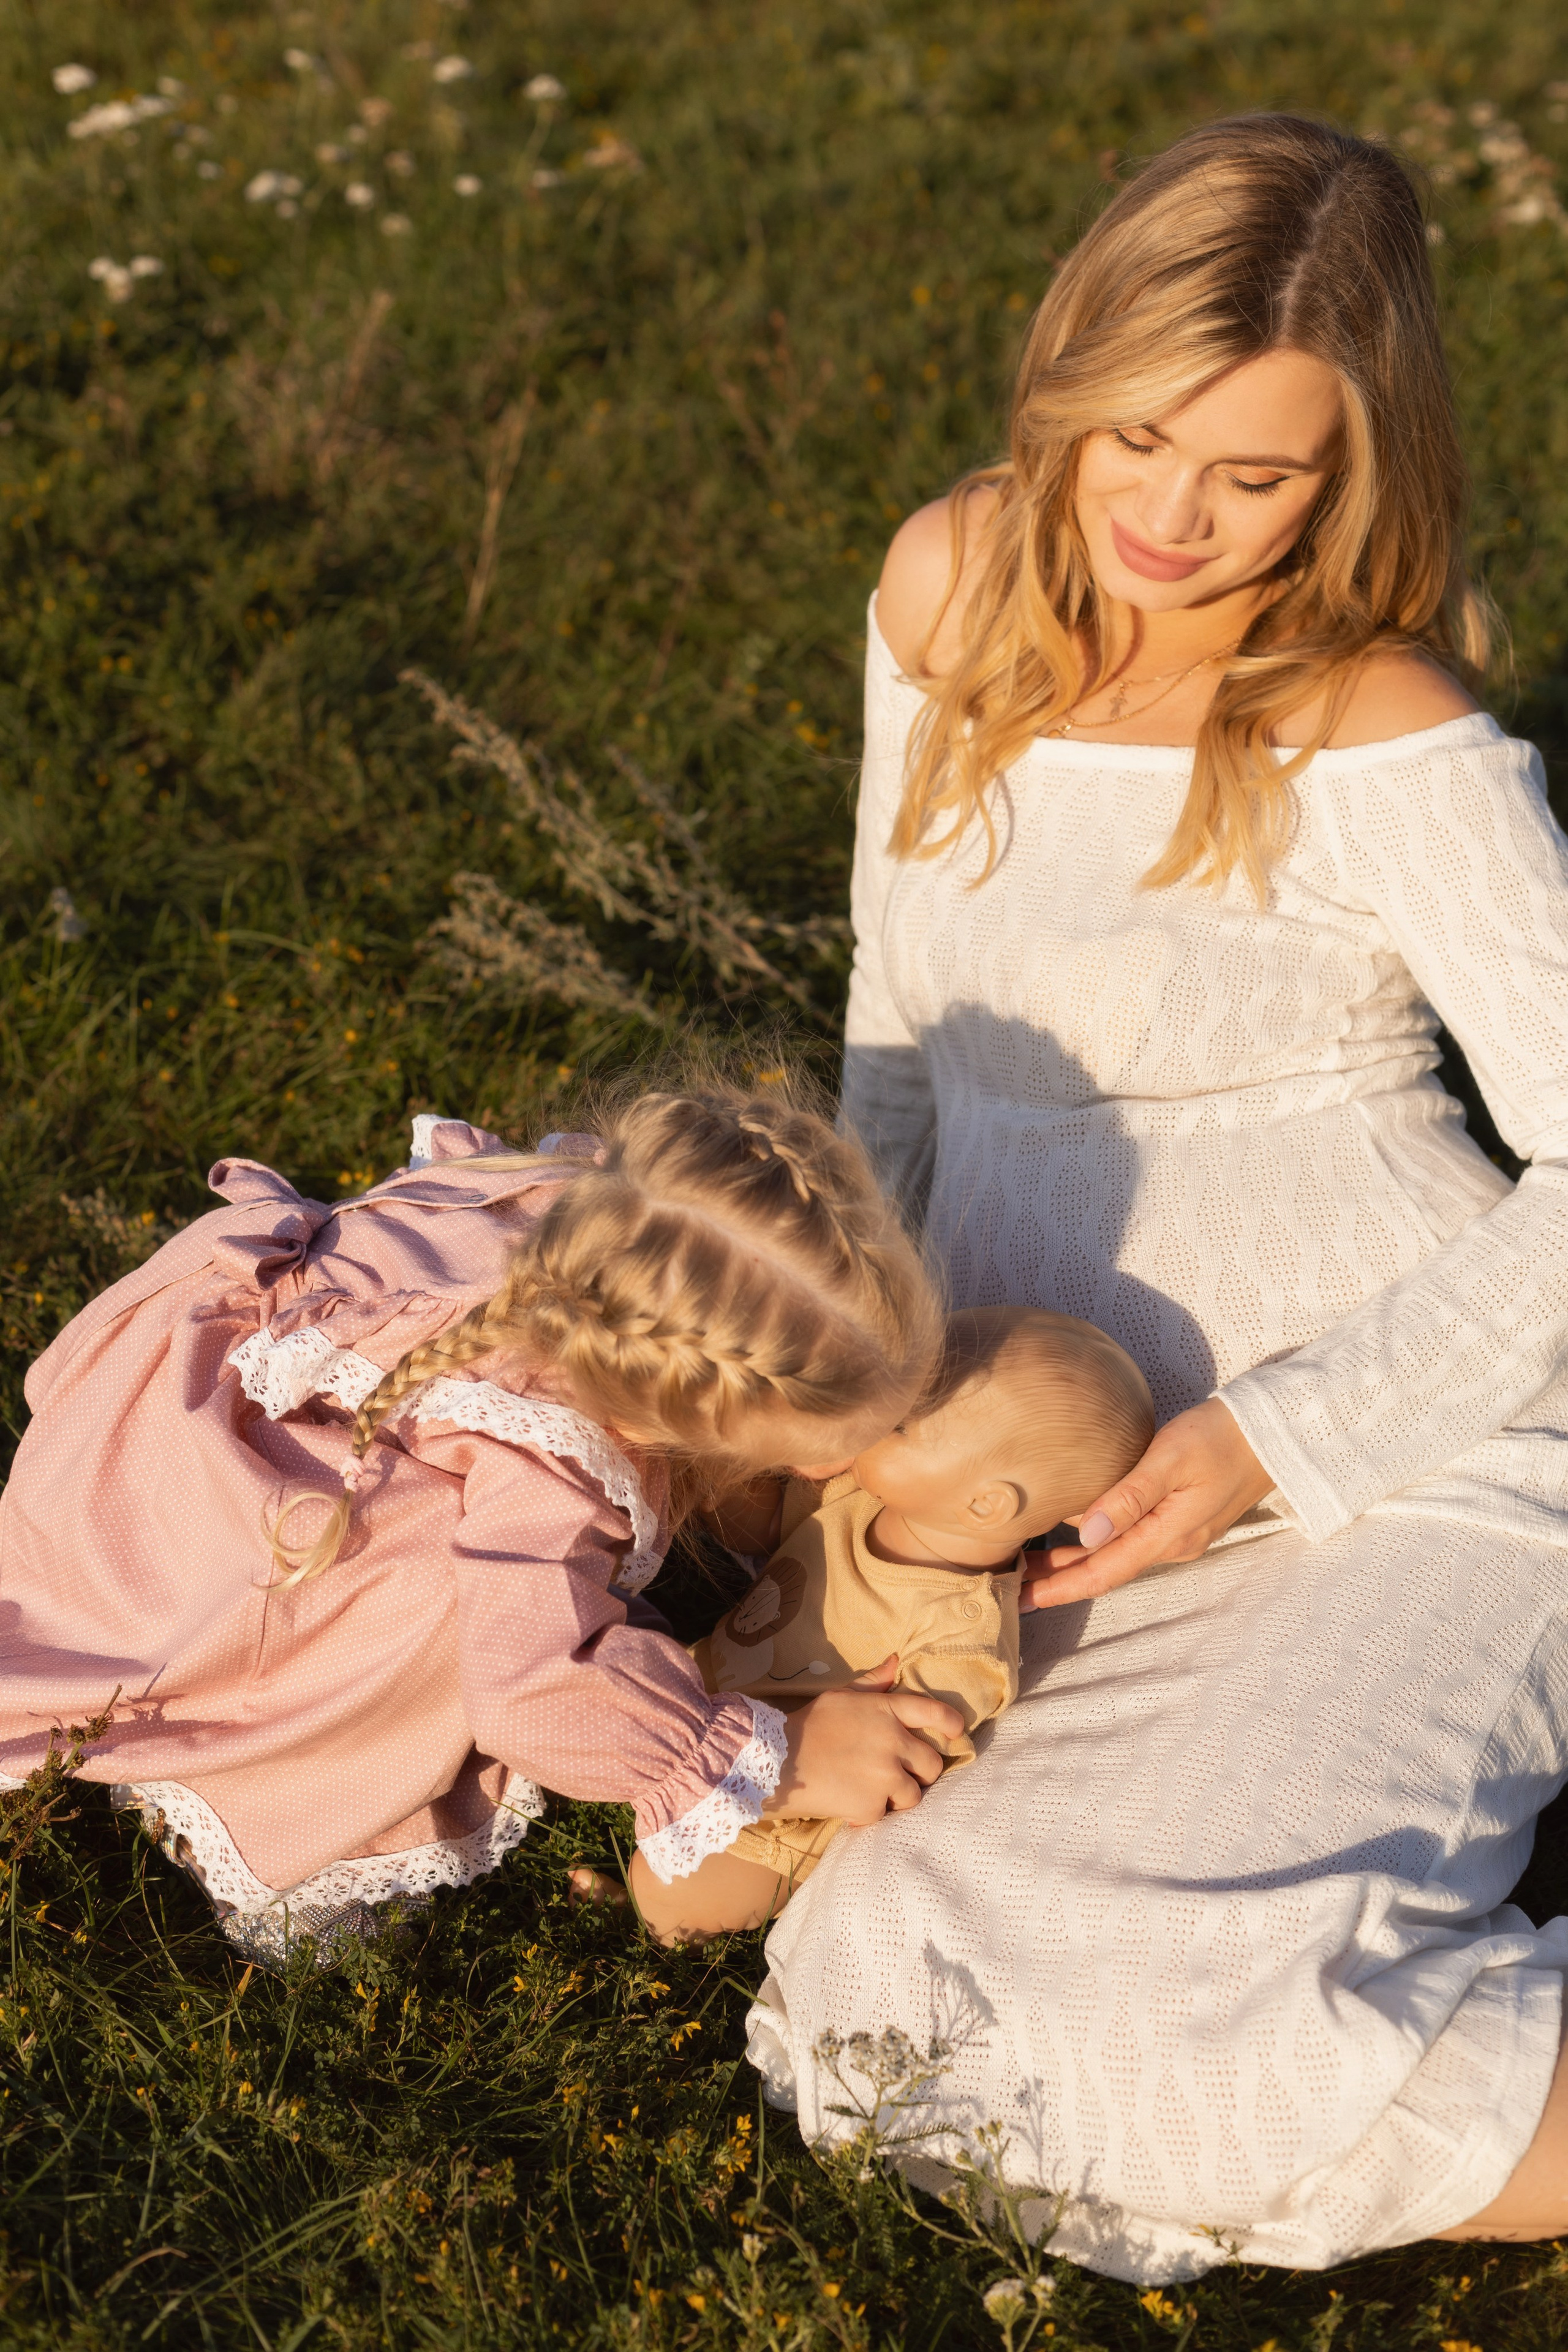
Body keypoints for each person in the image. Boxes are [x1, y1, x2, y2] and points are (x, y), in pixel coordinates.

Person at [744, 113, 1568, 2277]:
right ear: (1063, 383)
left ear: (1353, 467)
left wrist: (1279, 1439)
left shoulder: (1378, 719)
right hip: (1035, 1437)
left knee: (1160, 1993)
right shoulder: (948, 586)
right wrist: (846, 1401)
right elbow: (899, 1017)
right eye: (1133, 442)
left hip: (1406, 1441)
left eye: (1259, 476)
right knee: (883, 1978)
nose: (1171, 522)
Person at [0, 1085, 962, 1965]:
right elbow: (533, 1687)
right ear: (690, 1417)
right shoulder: (553, 1466)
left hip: (148, 1479)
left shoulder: (615, 1221)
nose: (837, 1469)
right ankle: (265, 1811)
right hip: (245, 1583)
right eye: (810, 1453)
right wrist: (767, 1759)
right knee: (432, 1581)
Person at [634, 1305, 1154, 1944]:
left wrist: (780, 1776)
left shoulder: (960, 1638)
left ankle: (653, 1929)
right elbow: (768, 1527)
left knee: (667, 1897)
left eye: (901, 1421)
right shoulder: (865, 1495)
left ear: (987, 1503)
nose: (873, 1413)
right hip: (709, 1694)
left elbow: (895, 1753)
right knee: (626, 1703)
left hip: (777, 1808)